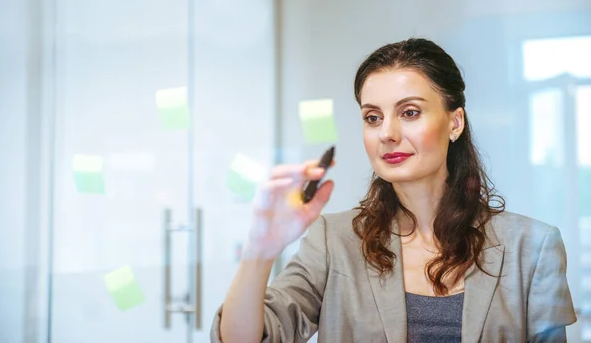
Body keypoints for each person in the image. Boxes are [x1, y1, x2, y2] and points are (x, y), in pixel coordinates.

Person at [210, 38, 577, 342]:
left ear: (455, 122)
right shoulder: (333, 241)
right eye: (373, 117)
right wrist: (260, 251)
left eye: (410, 112)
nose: (387, 133)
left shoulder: (533, 247)